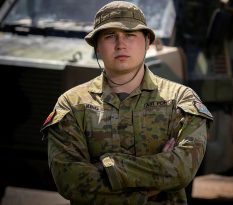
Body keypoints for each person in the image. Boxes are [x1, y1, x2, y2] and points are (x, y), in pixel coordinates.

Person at [40, 1, 213, 204]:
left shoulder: (180, 100)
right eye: (110, 36)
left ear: (147, 42)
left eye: (130, 35)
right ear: (97, 46)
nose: (120, 44)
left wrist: (107, 168)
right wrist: (151, 187)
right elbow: (70, 182)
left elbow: (181, 169)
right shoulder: (72, 105)